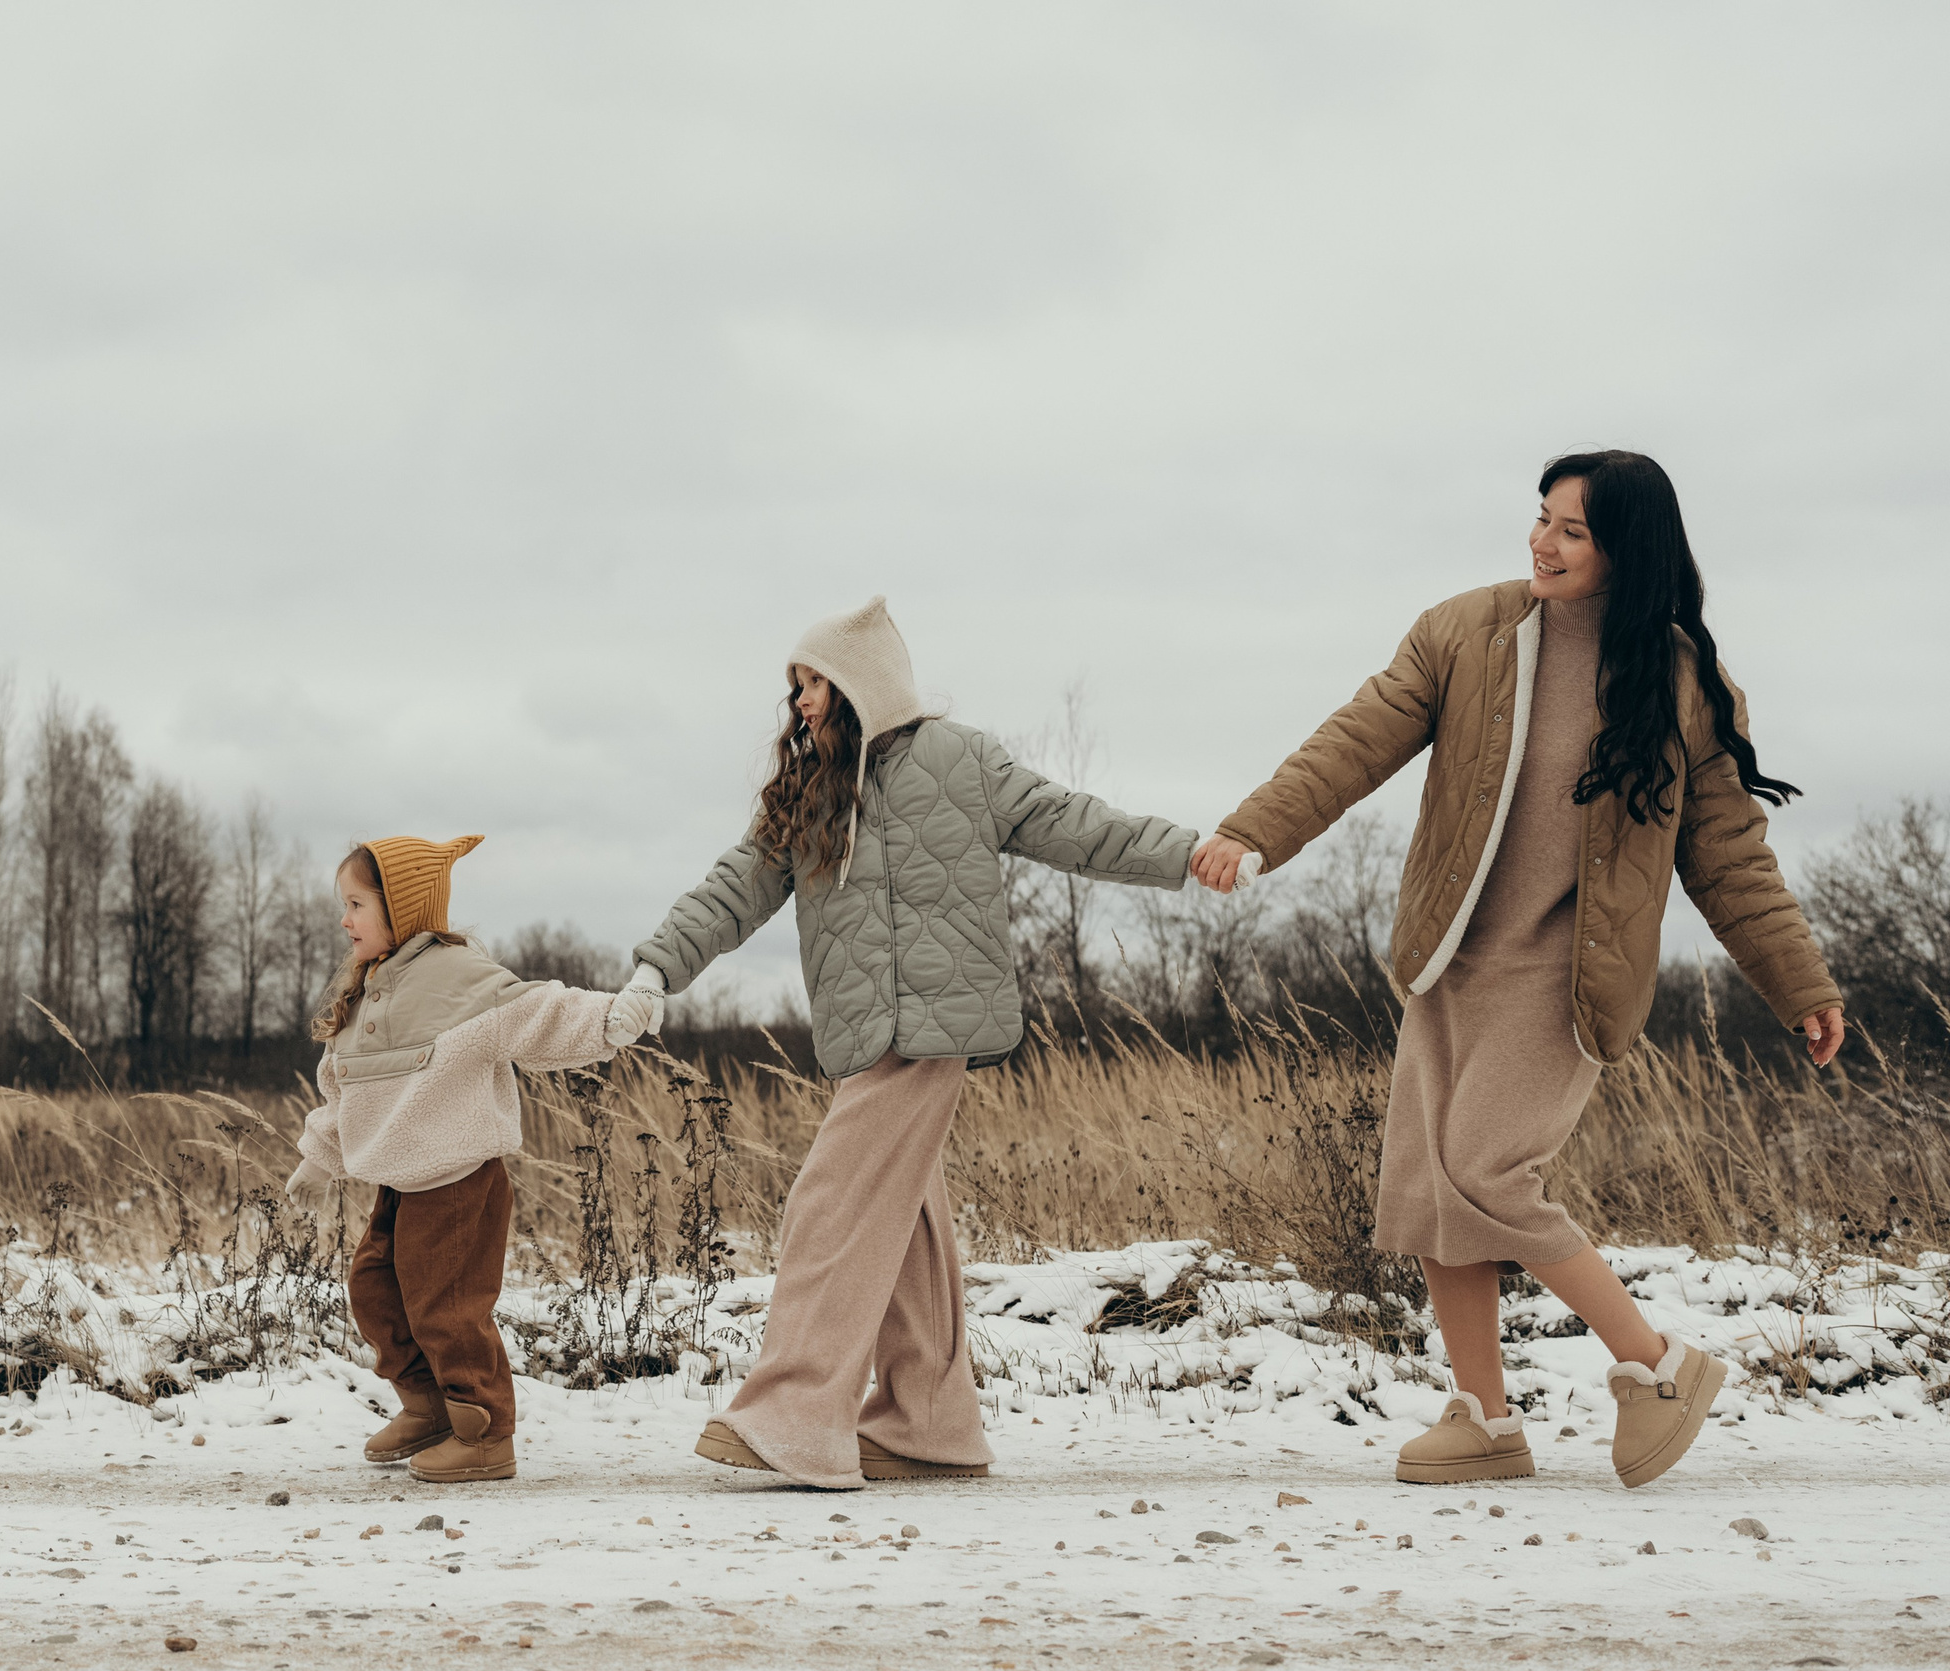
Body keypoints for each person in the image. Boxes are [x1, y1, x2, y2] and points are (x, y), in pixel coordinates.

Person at [1191, 450, 1845, 1488]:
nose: (1541, 541)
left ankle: (1658, 1363)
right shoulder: (1465, 631)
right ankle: (1483, 1417)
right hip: (1449, 954)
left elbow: (1725, 852)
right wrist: (1251, 830)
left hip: (1567, 973)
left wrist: (1797, 981)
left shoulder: (1680, 682)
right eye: (1539, 519)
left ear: (1627, 546)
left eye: (1571, 529)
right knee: (1429, 1186)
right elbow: (1354, 740)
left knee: (1486, 1171)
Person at [617, 596, 1201, 1490]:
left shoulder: (961, 761)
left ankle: (797, 1415)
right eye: (796, 686)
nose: (801, 702)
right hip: (865, 1034)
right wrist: (658, 970)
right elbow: (736, 887)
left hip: (935, 1028)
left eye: (813, 682)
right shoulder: (809, 791)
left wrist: (1187, 855)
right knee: (907, 1222)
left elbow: (1075, 825)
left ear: (861, 685)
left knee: (833, 1203)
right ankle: (931, 1423)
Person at [287, 835, 663, 1484]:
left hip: (459, 1178)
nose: (344, 921)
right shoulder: (364, 994)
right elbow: (342, 1091)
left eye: (355, 905)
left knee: (447, 1305)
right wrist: (318, 1161)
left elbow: (540, 1012)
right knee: (375, 1289)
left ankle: (485, 1430)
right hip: (398, 1182)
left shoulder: (458, 979)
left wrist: (612, 1018)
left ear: (401, 909)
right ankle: (431, 1407)